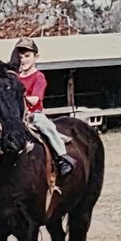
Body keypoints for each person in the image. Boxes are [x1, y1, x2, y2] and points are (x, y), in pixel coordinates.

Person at [14, 37, 76, 176]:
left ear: (36, 57)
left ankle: (62, 157)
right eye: (21, 57)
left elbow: (35, 100)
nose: (23, 60)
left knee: (46, 126)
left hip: (33, 115)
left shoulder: (39, 77)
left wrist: (18, 96)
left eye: (27, 56)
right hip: (17, 116)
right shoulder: (16, 78)